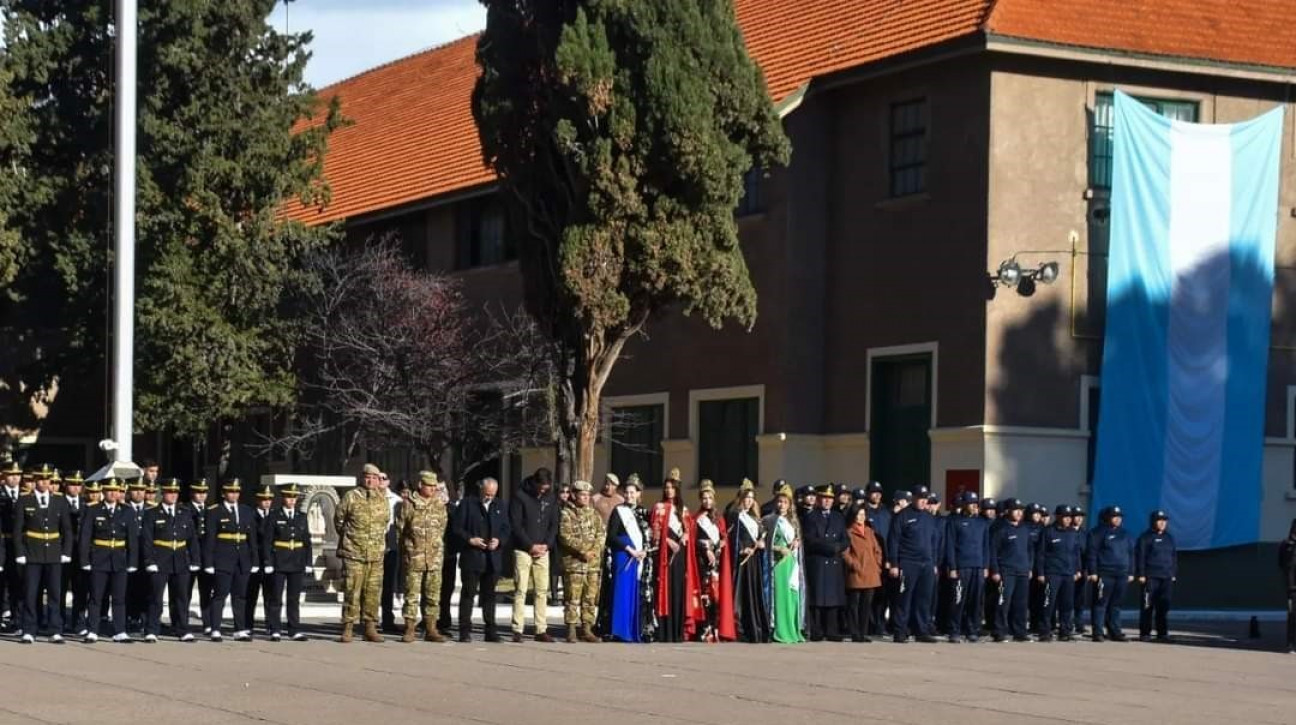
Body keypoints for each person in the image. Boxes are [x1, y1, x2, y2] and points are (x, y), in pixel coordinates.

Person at [14, 465, 73, 643]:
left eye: (47, 480)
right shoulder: (24, 500)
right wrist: (20, 552)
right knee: (31, 593)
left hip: (54, 552)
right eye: (40, 480)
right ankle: (29, 629)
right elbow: (18, 529)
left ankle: (55, 629)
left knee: (55, 593)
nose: (44, 483)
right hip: (33, 552)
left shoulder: (60, 500)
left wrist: (66, 551)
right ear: (35, 481)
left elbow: (67, 529)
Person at [334, 464, 391, 643]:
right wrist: (351, 539)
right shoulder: (351, 496)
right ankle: (348, 627)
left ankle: (370, 627)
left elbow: (386, 522)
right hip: (354, 553)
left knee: (373, 592)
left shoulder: (382, 499)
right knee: (352, 591)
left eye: (374, 478)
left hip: (375, 554)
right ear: (362, 478)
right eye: (367, 477)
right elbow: (339, 520)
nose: (370, 480)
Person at [80, 479, 140, 642]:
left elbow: (132, 539)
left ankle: (119, 630)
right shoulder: (93, 510)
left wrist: (133, 562)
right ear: (103, 492)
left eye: (116, 490)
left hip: (119, 558)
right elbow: (85, 536)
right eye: (109, 490)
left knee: (119, 597)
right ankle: (93, 629)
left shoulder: (127, 511)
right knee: (96, 596)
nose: (113, 493)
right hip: (99, 557)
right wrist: (84, 560)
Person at [139, 479, 199, 642]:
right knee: (156, 597)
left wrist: (195, 560)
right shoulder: (152, 513)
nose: (173, 495)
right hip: (160, 559)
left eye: (175, 493)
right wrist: (149, 561)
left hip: (180, 559)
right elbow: (147, 540)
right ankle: (152, 629)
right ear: (163, 493)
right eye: (169, 492)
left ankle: (182, 629)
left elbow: (192, 539)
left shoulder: (184, 512)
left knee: (181, 597)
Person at [454, 477, 511, 643]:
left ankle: (491, 630)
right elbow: (457, 528)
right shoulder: (467, 504)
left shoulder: (500, 505)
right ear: (481, 489)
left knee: (490, 596)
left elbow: (506, 528)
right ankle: (464, 630)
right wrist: (469, 539)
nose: (489, 497)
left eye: (493, 495)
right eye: (487, 494)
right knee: (468, 594)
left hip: (492, 558)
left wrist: (499, 540)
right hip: (472, 557)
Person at [649, 470, 703, 643]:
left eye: (672, 488)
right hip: (666, 555)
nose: (669, 491)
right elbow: (654, 532)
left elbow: (690, 530)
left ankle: (678, 631)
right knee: (666, 590)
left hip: (680, 555)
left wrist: (686, 536)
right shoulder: (659, 508)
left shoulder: (684, 510)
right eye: (666, 488)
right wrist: (667, 541)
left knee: (679, 590)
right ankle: (665, 631)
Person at [204, 478, 259, 641]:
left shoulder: (246, 511)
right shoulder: (215, 511)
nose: (234, 495)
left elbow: (252, 539)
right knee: (220, 594)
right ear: (223, 493)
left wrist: (254, 561)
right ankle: (215, 628)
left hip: (242, 559)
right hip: (223, 558)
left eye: (236, 492)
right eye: (230, 491)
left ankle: (240, 629)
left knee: (240, 595)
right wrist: (208, 562)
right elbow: (210, 539)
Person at [397, 472, 448, 643]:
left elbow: (442, 527)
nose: (432, 489)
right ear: (420, 485)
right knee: (412, 595)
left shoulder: (439, 504)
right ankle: (410, 628)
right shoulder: (409, 504)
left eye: (434, 486)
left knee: (433, 595)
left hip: (434, 558)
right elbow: (401, 530)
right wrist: (408, 550)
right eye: (429, 486)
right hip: (415, 556)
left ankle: (431, 628)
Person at [509, 467, 559, 643]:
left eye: (547, 487)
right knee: (520, 590)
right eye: (541, 487)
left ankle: (541, 628)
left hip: (543, 550)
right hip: (524, 550)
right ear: (535, 482)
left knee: (541, 591)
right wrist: (530, 545)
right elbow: (515, 525)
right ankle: (517, 628)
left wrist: (547, 544)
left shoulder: (551, 498)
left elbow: (554, 524)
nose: (544, 490)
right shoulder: (520, 496)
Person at [886, 488, 939, 643]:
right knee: (904, 598)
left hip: (927, 563)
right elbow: (894, 541)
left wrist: (933, 562)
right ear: (914, 498)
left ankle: (921, 630)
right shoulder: (902, 516)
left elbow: (934, 541)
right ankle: (900, 630)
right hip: (908, 562)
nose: (924, 501)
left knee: (924, 599)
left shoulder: (929, 517)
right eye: (921, 498)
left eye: (926, 499)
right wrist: (894, 564)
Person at [263, 483, 313, 642]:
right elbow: (267, 541)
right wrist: (268, 561)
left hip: (297, 560)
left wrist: (308, 562)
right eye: (288, 496)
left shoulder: (301, 516)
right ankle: (275, 629)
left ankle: (294, 629)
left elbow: (307, 541)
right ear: (283, 498)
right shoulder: (274, 515)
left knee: (294, 598)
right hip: (279, 560)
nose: (291, 500)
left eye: (294, 497)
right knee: (276, 597)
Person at [604, 476, 651, 642]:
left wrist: (644, 550)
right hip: (623, 555)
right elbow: (611, 536)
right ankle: (619, 630)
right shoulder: (619, 511)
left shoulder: (643, 512)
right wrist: (629, 549)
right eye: (627, 492)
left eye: (633, 492)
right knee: (621, 592)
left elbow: (647, 535)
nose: (629, 495)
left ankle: (632, 630)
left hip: (638, 557)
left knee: (634, 593)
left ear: (638, 494)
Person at [559, 480, 605, 643]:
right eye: (582, 495)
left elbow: (601, 534)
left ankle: (587, 628)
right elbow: (565, 536)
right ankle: (571, 629)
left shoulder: (594, 514)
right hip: (574, 563)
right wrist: (582, 551)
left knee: (590, 597)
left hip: (592, 564)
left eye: (587, 495)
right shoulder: (566, 513)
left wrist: (593, 551)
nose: (585, 498)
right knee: (572, 597)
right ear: (574, 495)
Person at [803, 484, 848, 641]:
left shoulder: (838, 517)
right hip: (818, 560)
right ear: (818, 499)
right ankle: (817, 630)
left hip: (834, 561)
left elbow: (845, 539)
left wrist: (838, 547)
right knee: (817, 598)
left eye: (829, 498)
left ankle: (832, 630)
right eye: (824, 498)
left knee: (833, 598)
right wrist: (828, 547)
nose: (827, 501)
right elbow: (809, 540)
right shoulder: (810, 517)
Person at [761, 484, 804, 643]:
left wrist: (796, 543)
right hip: (777, 563)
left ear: (790, 504)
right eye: (779, 502)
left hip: (790, 562)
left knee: (791, 596)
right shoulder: (769, 520)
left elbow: (796, 540)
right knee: (779, 597)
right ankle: (778, 629)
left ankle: (791, 629)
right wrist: (778, 547)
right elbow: (762, 543)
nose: (782, 505)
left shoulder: (794, 521)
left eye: (785, 502)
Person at [944, 492, 989, 643]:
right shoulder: (955, 522)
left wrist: (985, 566)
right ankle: (954, 630)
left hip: (978, 566)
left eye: (976, 503)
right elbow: (950, 546)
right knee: (958, 600)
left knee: (975, 601)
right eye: (971, 503)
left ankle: (972, 630)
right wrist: (953, 567)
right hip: (962, 567)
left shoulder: (982, 523)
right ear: (964, 505)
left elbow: (985, 546)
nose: (974, 505)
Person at [728, 481, 769, 643]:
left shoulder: (755, 518)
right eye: (747, 497)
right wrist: (741, 548)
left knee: (754, 594)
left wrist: (761, 545)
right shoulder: (734, 515)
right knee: (741, 594)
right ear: (741, 498)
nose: (749, 500)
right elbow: (732, 537)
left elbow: (761, 538)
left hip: (754, 562)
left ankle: (756, 628)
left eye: (752, 498)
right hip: (742, 562)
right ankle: (740, 628)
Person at [1034, 505, 1083, 642]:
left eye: (1069, 517)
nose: (1068, 520)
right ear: (1058, 517)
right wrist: (1041, 573)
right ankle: (1045, 631)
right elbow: (1041, 554)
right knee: (1048, 603)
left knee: (1067, 605)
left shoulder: (1073, 533)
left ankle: (1065, 631)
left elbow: (1076, 553)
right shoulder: (1048, 532)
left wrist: (1078, 569)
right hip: (1052, 573)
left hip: (1068, 574)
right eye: (1066, 517)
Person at [1087, 505, 1134, 642]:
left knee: (1116, 604)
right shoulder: (1097, 533)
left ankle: (1115, 631)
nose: (1117, 519)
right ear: (1107, 518)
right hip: (1104, 573)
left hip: (1121, 573)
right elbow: (1092, 554)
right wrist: (1093, 571)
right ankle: (1098, 632)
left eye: (1119, 517)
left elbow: (1131, 554)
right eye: (1114, 517)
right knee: (1100, 603)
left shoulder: (1125, 534)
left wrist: (1131, 572)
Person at [694, 480, 732, 642]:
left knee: (717, 596)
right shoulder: (696, 519)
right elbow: (695, 540)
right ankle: (705, 628)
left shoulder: (719, 519)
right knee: (705, 596)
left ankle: (716, 628)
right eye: (704, 498)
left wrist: (723, 542)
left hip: (717, 562)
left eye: (710, 498)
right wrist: (706, 548)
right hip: (703, 563)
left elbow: (724, 537)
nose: (707, 501)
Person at [989, 499, 1033, 642]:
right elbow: (993, 551)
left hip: (1023, 571)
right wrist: (995, 570)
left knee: (1021, 604)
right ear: (1008, 511)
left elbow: (1030, 550)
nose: (1020, 513)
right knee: (1003, 602)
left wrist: (1029, 567)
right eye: (1016, 510)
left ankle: (1019, 632)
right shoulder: (1000, 529)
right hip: (1006, 571)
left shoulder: (1025, 529)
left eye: (1021, 510)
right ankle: (999, 631)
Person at [842, 504, 883, 642]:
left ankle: (863, 632)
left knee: (867, 605)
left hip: (871, 573)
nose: (862, 517)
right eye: (859, 514)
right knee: (854, 604)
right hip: (856, 573)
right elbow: (845, 553)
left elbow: (877, 549)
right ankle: (855, 632)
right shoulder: (848, 532)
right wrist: (854, 565)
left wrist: (877, 565)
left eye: (863, 514)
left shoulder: (869, 531)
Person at [1135, 510, 1177, 643]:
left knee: (1163, 606)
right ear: (1153, 522)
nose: (1163, 523)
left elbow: (1173, 557)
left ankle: (1162, 633)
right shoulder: (1145, 537)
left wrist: (1173, 573)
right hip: (1150, 576)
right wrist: (1141, 574)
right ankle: (1145, 633)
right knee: (1148, 605)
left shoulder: (1169, 538)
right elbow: (1140, 556)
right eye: (1160, 520)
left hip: (1166, 577)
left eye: (1164, 520)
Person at [124, 478, 155, 634]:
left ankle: (144, 618)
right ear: (129, 491)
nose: (139, 493)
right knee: (128, 588)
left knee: (147, 588)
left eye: (142, 490)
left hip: (146, 555)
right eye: (135, 490)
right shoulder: (124, 508)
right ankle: (130, 617)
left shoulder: (152, 509)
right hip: (128, 554)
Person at [243, 484, 275, 635]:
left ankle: (270, 625)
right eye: (264, 499)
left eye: (269, 499)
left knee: (270, 595)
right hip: (253, 561)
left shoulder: (275, 515)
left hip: (270, 561)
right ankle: (248, 625)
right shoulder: (250, 515)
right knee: (251, 595)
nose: (267, 502)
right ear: (257, 500)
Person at [187, 479, 214, 635]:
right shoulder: (184, 509)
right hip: (189, 557)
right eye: (198, 492)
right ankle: (182, 622)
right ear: (192, 493)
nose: (201, 495)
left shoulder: (210, 511)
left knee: (206, 592)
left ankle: (208, 623)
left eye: (204, 492)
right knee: (185, 593)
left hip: (206, 558)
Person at [0, 462, 25, 631]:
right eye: (10, 475)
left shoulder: (26, 496)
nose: (14, 478)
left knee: (19, 582)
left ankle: (18, 618)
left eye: (17, 475)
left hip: (19, 545)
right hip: (2, 543)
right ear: (3, 477)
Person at [436, 480, 462, 636]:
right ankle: (429, 620)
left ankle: (444, 621)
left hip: (449, 555)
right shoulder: (428, 508)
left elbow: (458, 531)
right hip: (431, 555)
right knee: (430, 590)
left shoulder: (454, 510)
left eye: (443, 489)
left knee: (446, 590)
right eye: (438, 489)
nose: (441, 492)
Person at [379, 472, 401, 634]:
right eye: (377, 478)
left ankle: (388, 620)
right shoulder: (364, 498)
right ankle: (368, 621)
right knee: (369, 587)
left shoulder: (396, 501)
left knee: (388, 587)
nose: (380, 481)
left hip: (391, 549)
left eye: (384, 478)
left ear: (389, 482)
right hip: (371, 549)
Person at [550, 482, 572, 600]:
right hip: (555, 541)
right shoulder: (554, 506)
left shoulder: (570, 506)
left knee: (566, 568)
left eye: (567, 492)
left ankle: (566, 596)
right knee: (554, 568)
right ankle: (554, 595)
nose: (565, 495)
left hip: (567, 541)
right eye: (562, 492)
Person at [1279, 519, 1296, 653]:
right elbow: (1282, 565)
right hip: (1292, 587)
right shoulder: (1286, 545)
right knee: (1292, 615)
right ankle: (1291, 643)